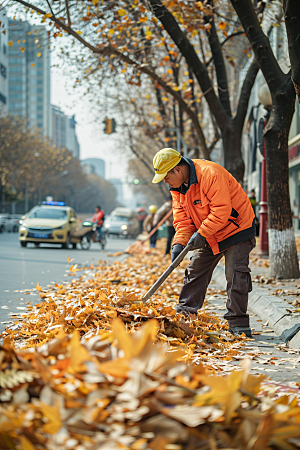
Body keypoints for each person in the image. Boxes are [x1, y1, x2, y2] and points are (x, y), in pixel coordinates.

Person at [152, 148, 256, 338]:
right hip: (209, 232)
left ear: (177, 170)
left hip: (236, 228)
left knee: (235, 274)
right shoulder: (177, 189)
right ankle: (185, 315)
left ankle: (238, 323)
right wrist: (179, 243)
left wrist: (201, 234)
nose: (164, 181)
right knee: (195, 270)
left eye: (165, 176)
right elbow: (183, 221)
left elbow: (221, 211)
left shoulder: (210, 174)